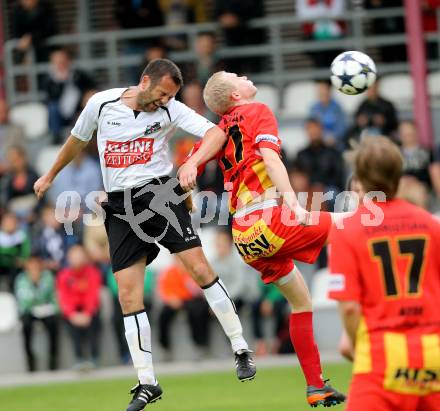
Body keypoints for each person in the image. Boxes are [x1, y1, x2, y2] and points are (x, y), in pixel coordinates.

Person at [34, 59, 255, 411]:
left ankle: (240, 347)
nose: (165, 101)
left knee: (199, 269)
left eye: (171, 96)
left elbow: (215, 132)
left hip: (161, 196)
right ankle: (147, 382)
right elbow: (76, 141)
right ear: (144, 81)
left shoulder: (171, 110)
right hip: (120, 206)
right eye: (163, 93)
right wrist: (49, 176)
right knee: (128, 295)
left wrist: (192, 163)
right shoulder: (101, 104)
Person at [179, 71, 346, 407]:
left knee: (301, 303)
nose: (243, 75)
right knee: (362, 223)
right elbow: (270, 159)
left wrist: (189, 183)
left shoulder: (217, 131)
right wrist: (295, 205)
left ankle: (316, 387)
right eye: (235, 76)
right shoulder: (257, 111)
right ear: (236, 96)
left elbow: (186, 171)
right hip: (270, 218)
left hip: (244, 236)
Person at [328, 136, 440, 411]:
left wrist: (357, 347)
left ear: (360, 179)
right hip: (432, 354)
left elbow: (350, 309)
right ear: (398, 175)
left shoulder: (348, 230)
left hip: (381, 356)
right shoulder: (430, 224)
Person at [56, 245, 102, 370]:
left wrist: (87, 313)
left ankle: (94, 357)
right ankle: (79, 358)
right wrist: (72, 314)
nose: (77, 260)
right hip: (73, 312)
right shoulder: (64, 275)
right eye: (74, 257)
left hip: (89, 311)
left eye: (79, 256)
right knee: (72, 327)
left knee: (94, 321)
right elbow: (64, 297)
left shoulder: (93, 272)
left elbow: (92, 295)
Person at [157, 257, 210, 360]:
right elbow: (163, 290)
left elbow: (198, 291)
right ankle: (165, 347)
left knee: (197, 312)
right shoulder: (169, 272)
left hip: (191, 300)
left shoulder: (192, 272)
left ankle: (200, 345)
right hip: (174, 301)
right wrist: (171, 299)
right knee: (163, 315)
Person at [14, 254, 59, 372]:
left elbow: (54, 297)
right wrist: (35, 285)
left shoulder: (48, 276)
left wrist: (53, 308)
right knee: (26, 325)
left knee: (53, 323)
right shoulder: (21, 279)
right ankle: (30, 359)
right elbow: (24, 301)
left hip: (46, 310)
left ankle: (53, 358)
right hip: (30, 312)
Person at [44, 48, 96, 143]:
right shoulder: (50, 80)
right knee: (53, 108)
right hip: (60, 114)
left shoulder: (79, 75)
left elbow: (92, 89)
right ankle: (56, 138)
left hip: (79, 110)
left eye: (62, 61)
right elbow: (49, 99)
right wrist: (60, 83)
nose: (60, 64)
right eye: (57, 62)